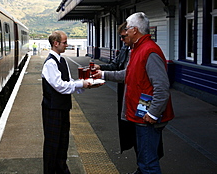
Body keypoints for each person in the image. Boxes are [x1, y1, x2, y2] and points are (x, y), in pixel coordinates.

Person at [94, 12, 174, 174]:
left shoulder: (149, 51)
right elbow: (127, 74)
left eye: (128, 29)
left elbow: (162, 86)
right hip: (139, 114)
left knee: (148, 163)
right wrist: (102, 74)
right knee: (144, 159)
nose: (125, 34)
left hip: (146, 116)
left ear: (135, 30)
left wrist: (152, 113)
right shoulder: (138, 49)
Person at [41, 30, 99, 174]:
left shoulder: (62, 61)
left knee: (62, 142)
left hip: (61, 107)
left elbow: (68, 82)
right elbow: (60, 86)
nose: (67, 45)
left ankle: (61, 169)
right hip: (52, 108)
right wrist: (81, 84)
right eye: (64, 42)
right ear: (56, 43)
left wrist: (84, 84)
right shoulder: (50, 63)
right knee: (52, 144)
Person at [94, 22, 135, 153]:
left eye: (124, 37)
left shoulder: (143, 51)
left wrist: (103, 74)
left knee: (139, 132)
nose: (122, 40)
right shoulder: (125, 49)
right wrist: (100, 67)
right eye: (120, 37)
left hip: (134, 94)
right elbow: (115, 65)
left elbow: (126, 74)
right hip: (124, 92)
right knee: (127, 125)